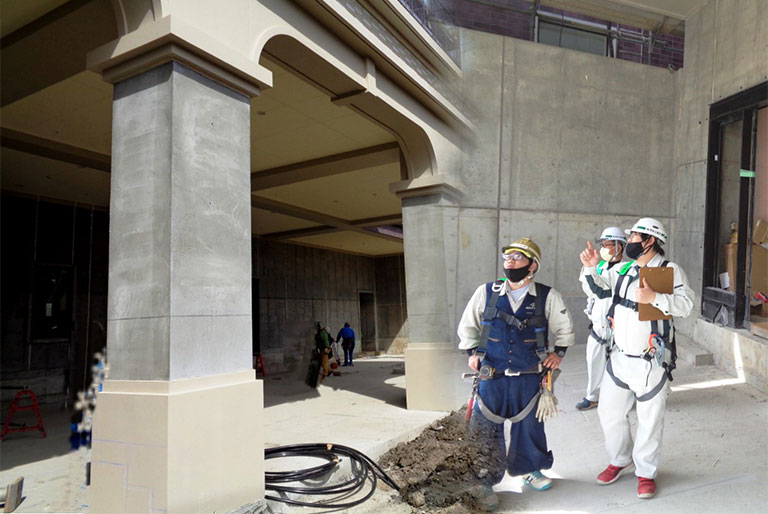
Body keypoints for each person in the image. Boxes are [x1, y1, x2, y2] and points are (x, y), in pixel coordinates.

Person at [579, 218, 694, 499]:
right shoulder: (625, 268)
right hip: (619, 358)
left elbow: (687, 305)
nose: (628, 241)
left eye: (633, 237)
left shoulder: (669, 270)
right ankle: (620, 459)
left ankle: (645, 472)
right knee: (609, 412)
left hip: (651, 361)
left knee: (649, 419)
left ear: (649, 240)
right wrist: (592, 267)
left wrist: (655, 297)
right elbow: (600, 290)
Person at [458, 237, 575, 501]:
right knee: (485, 426)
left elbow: (564, 328)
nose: (510, 262)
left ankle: (529, 470)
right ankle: (483, 479)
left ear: (533, 265)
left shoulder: (547, 295)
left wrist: (559, 353)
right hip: (491, 374)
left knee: (529, 424)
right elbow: (468, 325)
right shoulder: (486, 292)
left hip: (530, 374)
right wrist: (471, 353)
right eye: (507, 258)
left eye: (517, 258)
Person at [576, 227, 627, 411]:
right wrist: (590, 267)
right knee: (594, 363)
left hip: (619, 327)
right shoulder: (598, 266)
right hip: (598, 326)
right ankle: (593, 396)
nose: (604, 248)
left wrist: (591, 269)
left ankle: (623, 398)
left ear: (619, 246)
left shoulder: (627, 269)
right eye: (603, 245)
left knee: (622, 366)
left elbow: (604, 291)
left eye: (608, 245)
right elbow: (589, 290)